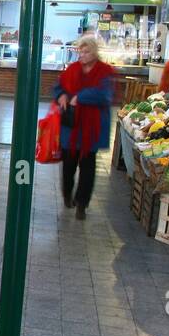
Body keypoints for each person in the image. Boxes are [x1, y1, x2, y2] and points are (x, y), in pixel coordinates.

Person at [53, 34, 115, 220]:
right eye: (81, 51)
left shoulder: (105, 71)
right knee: (68, 165)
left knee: (88, 168)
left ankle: (82, 204)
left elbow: (105, 95)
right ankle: (67, 194)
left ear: (95, 52)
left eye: (87, 51)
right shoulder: (72, 69)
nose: (82, 54)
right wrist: (62, 95)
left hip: (91, 129)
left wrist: (80, 97)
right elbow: (59, 87)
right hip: (71, 127)